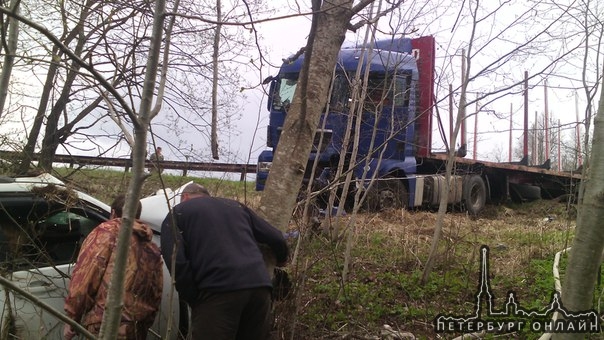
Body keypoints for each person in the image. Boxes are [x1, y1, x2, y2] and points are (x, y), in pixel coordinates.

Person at [161, 183, 288, 340]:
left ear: (185, 197)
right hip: (259, 288)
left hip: (217, 290)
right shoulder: (235, 206)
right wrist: (282, 258)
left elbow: (176, 260)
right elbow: (276, 237)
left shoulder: (177, 213)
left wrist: (192, 297)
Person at [64, 195, 163, 340]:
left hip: (105, 325)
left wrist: (72, 317)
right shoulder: (152, 248)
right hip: (136, 329)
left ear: (113, 213)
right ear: (138, 216)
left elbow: (86, 276)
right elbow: (156, 293)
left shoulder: (106, 233)